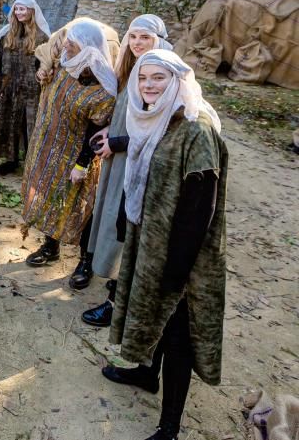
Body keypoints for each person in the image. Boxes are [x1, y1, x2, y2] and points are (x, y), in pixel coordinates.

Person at [106, 50, 226, 440]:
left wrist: (176, 268)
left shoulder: (197, 127)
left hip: (182, 253)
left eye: (158, 78)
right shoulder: (155, 118)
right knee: (150, 312)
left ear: (178, 79)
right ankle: (145, 373)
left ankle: (169, 426)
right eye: (143, 78)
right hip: (152, 239)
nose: (149, 85)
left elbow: (200, 209)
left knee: (178, 333)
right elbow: (140, 174)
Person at [81, 14, 173, 319]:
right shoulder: (132, 68)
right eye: (133, 36)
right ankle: (116, 294)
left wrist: (116, 143)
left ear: (158, 40)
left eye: (144, 37)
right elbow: (128, 113)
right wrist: (111, 130)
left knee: (128, 226)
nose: (137, 43)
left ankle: (118, 303)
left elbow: (157, 131)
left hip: (140, 165)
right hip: (121, 159)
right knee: (116, 221)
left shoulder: (161, 74)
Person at [20, 20, 116, 284]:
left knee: (82, 208)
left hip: (75, 157)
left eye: (72, 44)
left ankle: (85, 261)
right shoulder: (62, 65)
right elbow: (39, 58)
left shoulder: (101, 89)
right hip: (48, 149)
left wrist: (82, 164)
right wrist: (41, 71)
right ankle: (52, 247)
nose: (66, 46)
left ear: (88, 49)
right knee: (53, 199)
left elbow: (95, 134)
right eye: (67, 42)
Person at [0, 0, 51, 176]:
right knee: (9, 122)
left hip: (32, 90)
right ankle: (11, 159)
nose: (18, 13)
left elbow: (47, 63)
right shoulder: (7, 33)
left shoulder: (42, 36)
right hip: (9, 88)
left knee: (29, 126)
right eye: (16, 9)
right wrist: (1, 83)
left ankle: (32, 163)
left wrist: (42, 76)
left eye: (22, 9)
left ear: (32, 11)